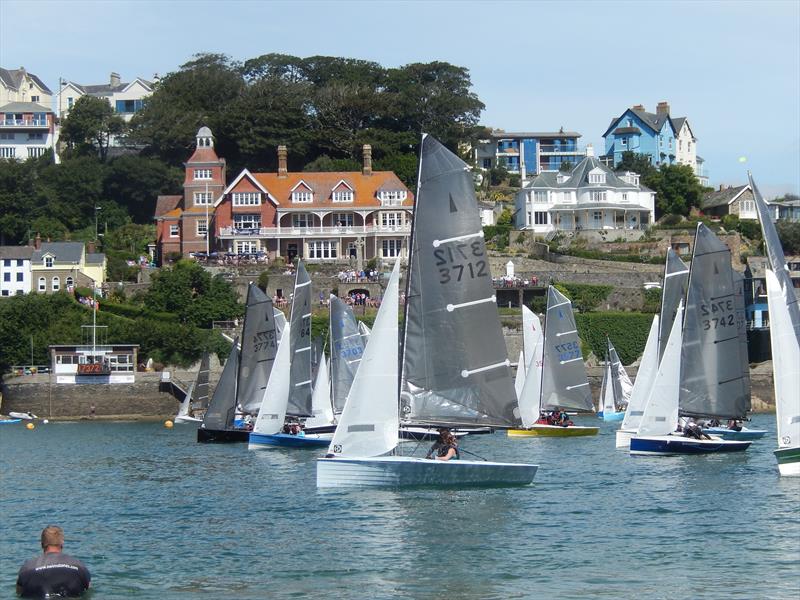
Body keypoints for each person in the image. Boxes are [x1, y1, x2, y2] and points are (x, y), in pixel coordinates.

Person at [17, 526, 91, 598]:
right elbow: (88, 589)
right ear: (62, 544)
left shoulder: (27, 568)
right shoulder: (79, 566)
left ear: (42, 545)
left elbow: (18, 593)